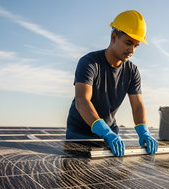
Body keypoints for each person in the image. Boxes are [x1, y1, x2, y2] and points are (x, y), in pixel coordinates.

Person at [66, 10, 158, 157]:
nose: (132, 50)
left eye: (136, 46)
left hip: (109, 135)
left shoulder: (132, 71)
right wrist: (105, 132)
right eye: (128, 43)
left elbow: (138, 105)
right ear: (114, 37)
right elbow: (82, 100)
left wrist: (143, 131)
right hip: (79, 134)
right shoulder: (90, 63)